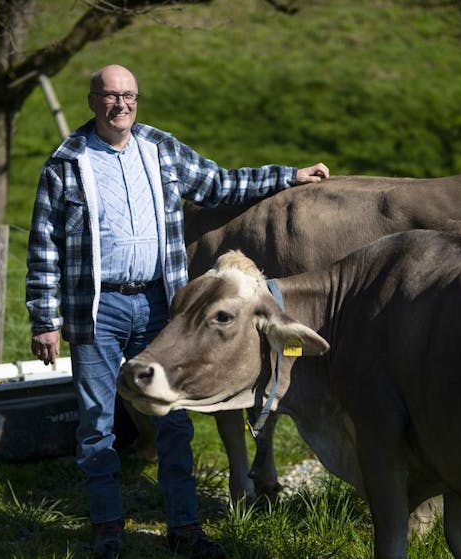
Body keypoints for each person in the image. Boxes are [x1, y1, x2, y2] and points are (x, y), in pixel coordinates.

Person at [26, 64, 329, 559]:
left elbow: (219, 185)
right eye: (109, 96)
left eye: (129, 95)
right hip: (95, 309)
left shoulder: (159, 149)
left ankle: (184, 530)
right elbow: (44, 247)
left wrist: (288, 176)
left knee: (173, 421)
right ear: (91, 101)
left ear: (136, 100)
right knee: (97, 424)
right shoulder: (66, 162)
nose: (120, 104)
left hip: (159, 306)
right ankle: (108, 532)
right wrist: (46, 319)